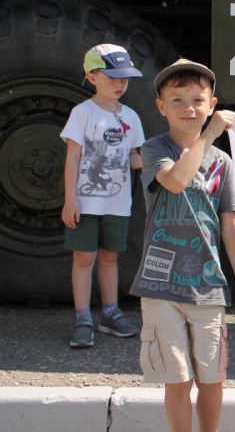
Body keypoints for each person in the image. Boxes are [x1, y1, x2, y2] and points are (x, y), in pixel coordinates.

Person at [129, 59, 235, 432]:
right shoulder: (154, 148)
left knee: (212, 381)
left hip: (208, 289)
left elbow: (230, 224)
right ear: (161, 106)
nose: (189, 108)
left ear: (212, 104)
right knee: (178, 382)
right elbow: (175, 181)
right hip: (160, 288)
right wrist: (209, 135)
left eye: (198, 100)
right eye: (177, 100)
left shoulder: (223, 163)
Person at [61, 44, 145, 348]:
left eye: (124, 77)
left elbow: (133, 159)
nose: (120, 83)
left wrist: (165, 159)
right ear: (91, 77)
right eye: (112, 77)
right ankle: (83, 319)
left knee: (110, 256)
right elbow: (73, 157)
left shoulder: (132, 117)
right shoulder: (82, 113)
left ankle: (110, 314)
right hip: (84, 202)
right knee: (84, 257)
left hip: (117, 203)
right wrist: (70, 199)